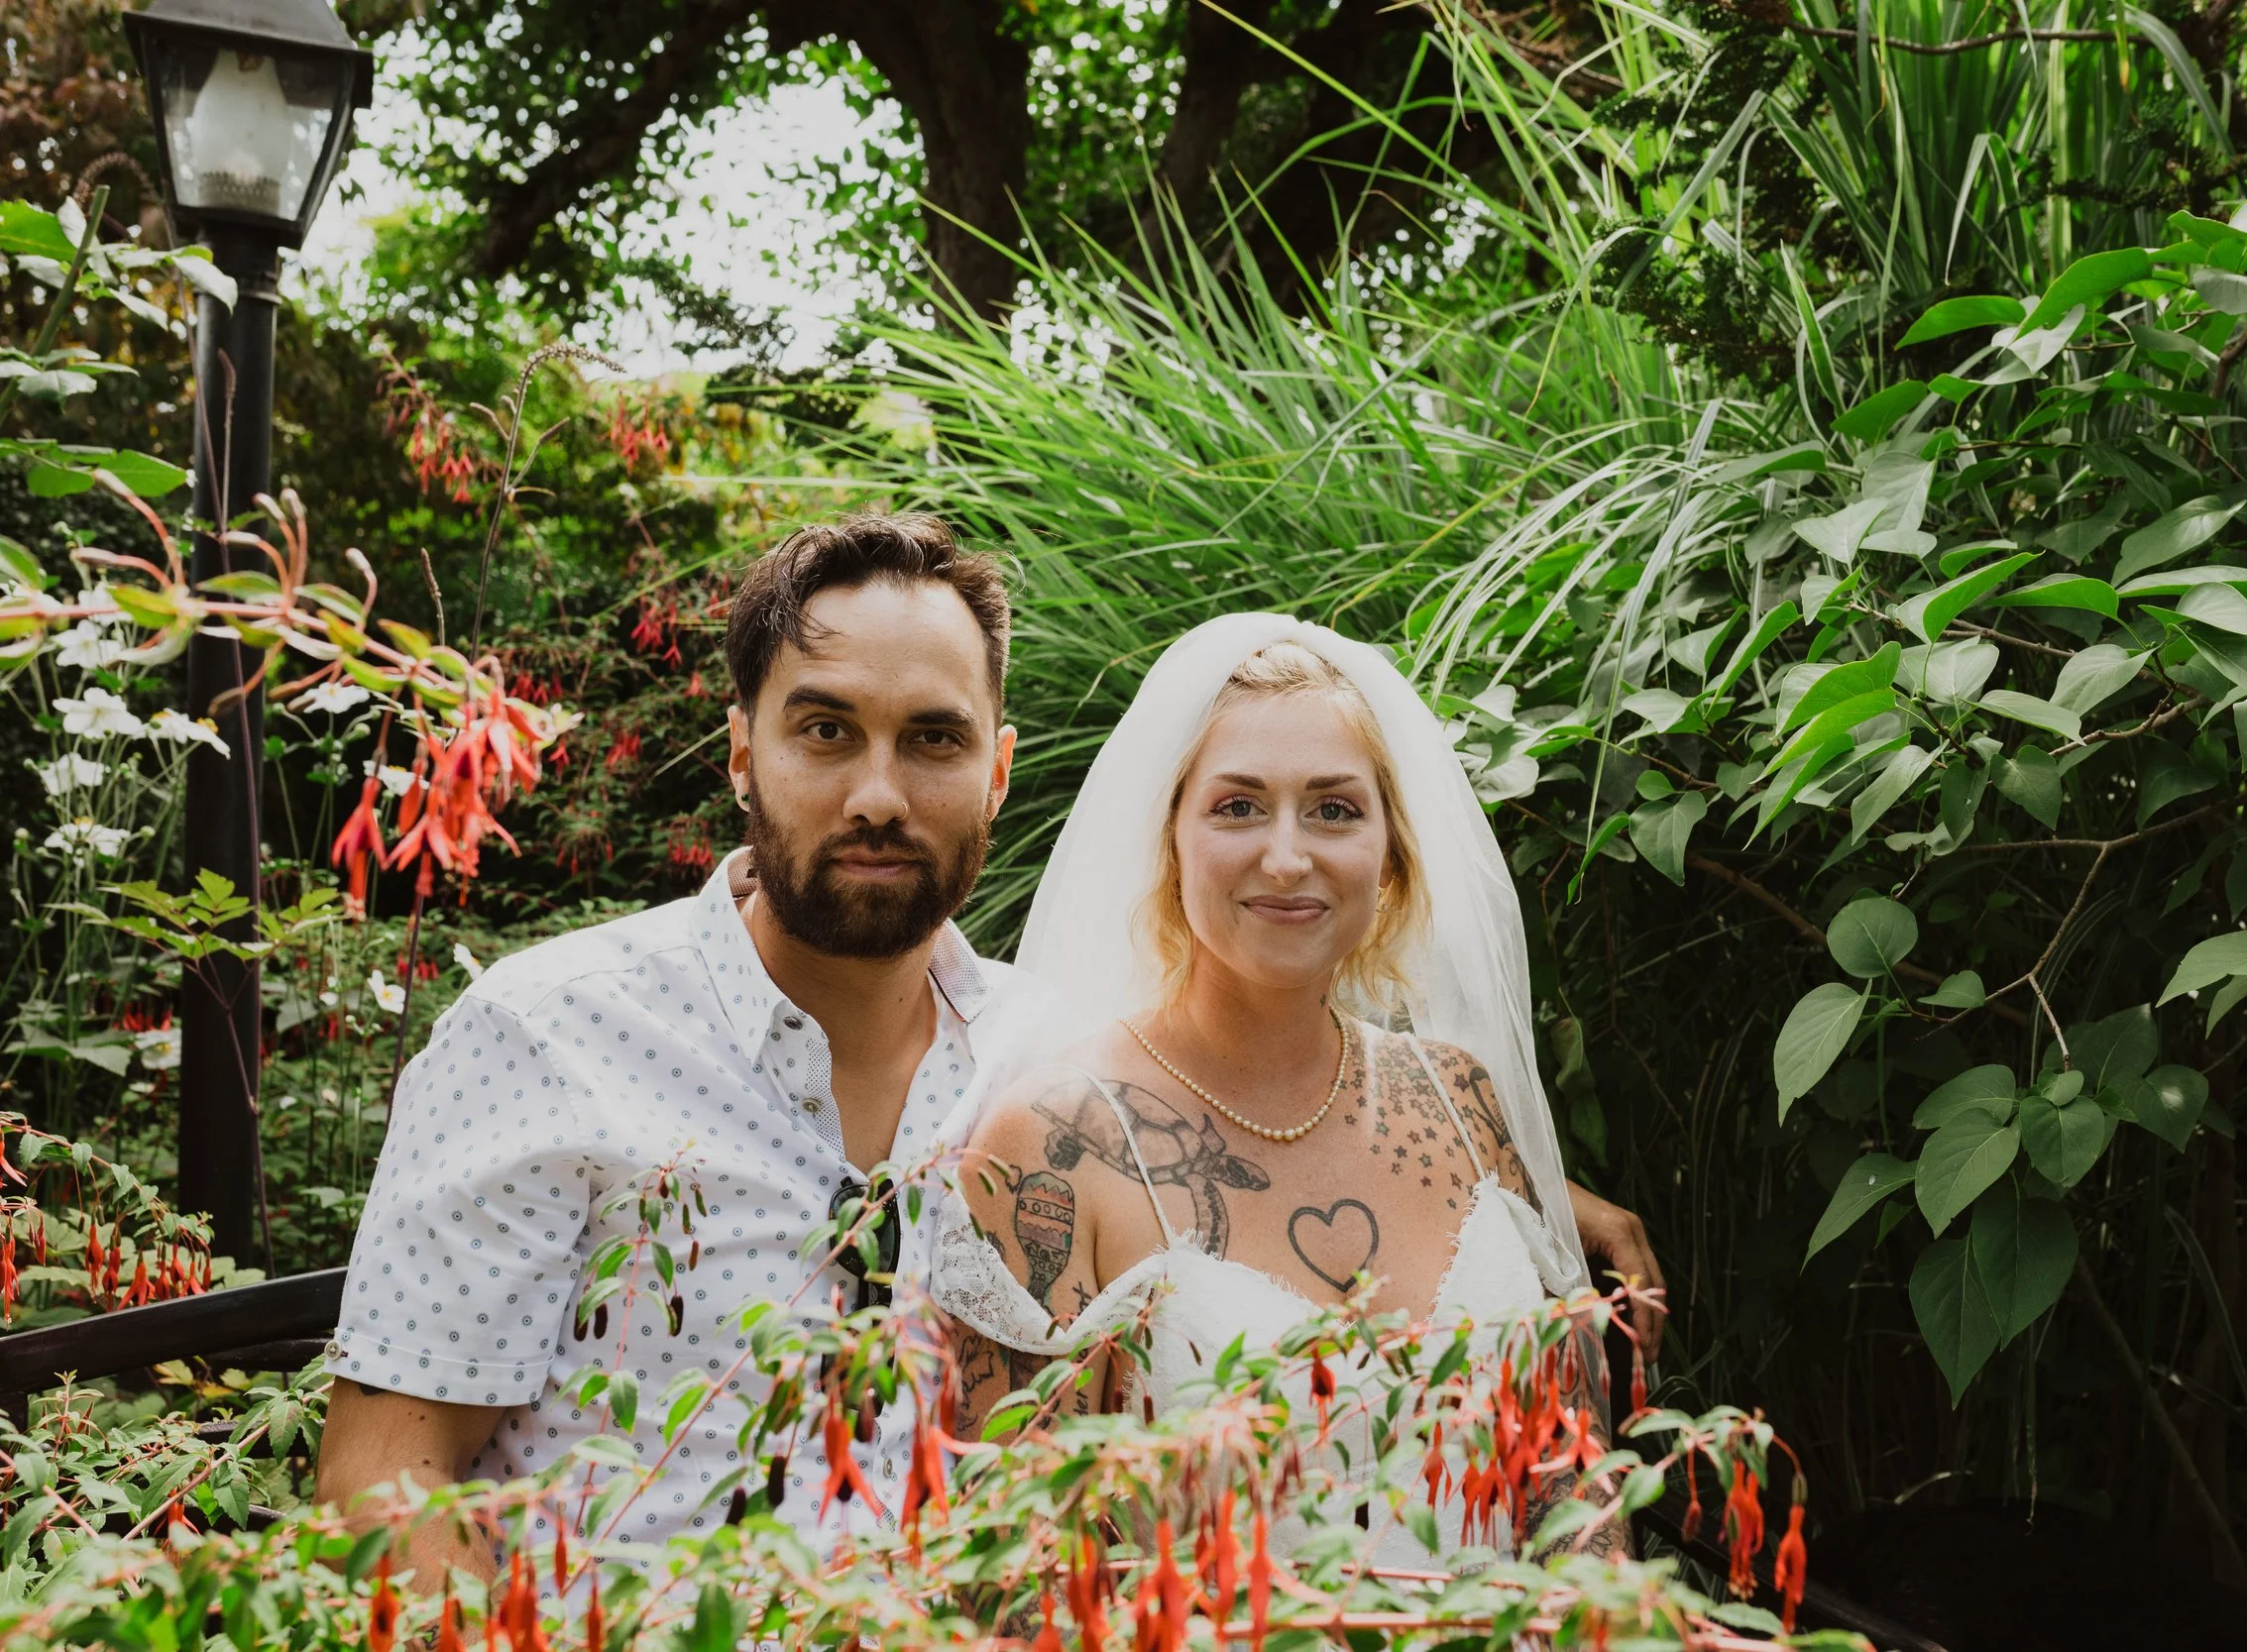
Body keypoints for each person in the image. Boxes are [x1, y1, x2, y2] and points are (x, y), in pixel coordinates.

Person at [315, 516, 1660, 1583]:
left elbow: (1268, 1110)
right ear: (741, 751)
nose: (880, 791)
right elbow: (384, 1491)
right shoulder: (543, 1037)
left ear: (1000, 771)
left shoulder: (1049, 1043)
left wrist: (1539, 1198)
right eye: (826, 727)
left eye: (935, 738)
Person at [929, 615, 1649, 1561]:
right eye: (1236, 807)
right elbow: (1012, 1573)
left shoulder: (1461, 1103)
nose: (1286, 854)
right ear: (1170, 839)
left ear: (1390, 855)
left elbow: (1570, 1486)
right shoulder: (1050, 1144)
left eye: (1334, 808)